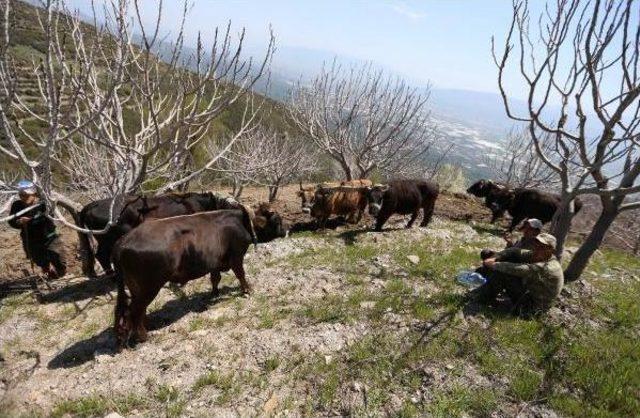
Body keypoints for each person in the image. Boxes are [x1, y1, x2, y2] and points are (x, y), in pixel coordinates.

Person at [472, 233, 564, 315]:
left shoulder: (549, 267)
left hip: (532, 309)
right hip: (529, 293)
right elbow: (514, 251)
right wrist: (495, 257)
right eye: (536, 245)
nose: (537, 249)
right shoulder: (540, 254)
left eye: (542, 247)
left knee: (503, 272)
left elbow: (519, 269)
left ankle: (481, 300)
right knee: (492, 255)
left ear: (551, 250)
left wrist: (493, 264)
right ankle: (487, 285)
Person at [8, 180, 67, 279]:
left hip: (48, 236)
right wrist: (18, 222)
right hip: (31, 239)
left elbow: (47, 217)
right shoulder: (17, 205)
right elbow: (11, 220)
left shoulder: (43, 203)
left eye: (26, 195)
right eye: (21, 195)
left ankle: (62, 273)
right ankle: (48, 274)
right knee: (39, 259)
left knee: (57, 257)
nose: (23, 197)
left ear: (34, 193)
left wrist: (30, 221)